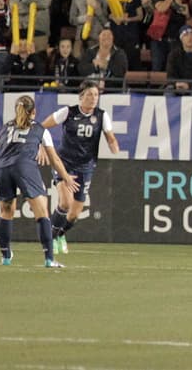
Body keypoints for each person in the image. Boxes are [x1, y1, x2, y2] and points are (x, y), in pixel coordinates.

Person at [0, 94, 78, 267]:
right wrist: (67, 177)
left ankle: (6, 257)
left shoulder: (4, 128)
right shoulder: (39, 129)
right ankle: (49, 259)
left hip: (1, 169)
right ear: (34, 112)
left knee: (6, 211)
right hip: (24, 167)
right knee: (41, 212)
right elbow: (54, 159)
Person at [41, 81, 120, 255]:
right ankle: (51, 238)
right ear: (81, 96)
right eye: (90, 95)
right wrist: (42, 146)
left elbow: (110, 137)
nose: (93, 99)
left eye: (96, 95)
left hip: (86, 166)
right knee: (65, 202)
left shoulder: (101, 116)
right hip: (64, 163)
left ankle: (61, 233)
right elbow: (43, 127)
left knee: (75, 212)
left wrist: (113, 145)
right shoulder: (68, 112)